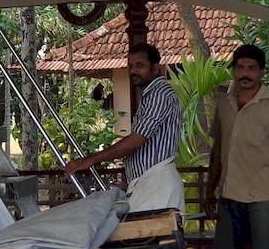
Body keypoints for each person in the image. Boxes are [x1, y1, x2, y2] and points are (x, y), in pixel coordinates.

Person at [63, 43, 185, 213]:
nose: (133, 71)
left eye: (140, 65)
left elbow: (136, 140)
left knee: (149, 237)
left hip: (157, 184)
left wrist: (91, 159)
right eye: (130, 66)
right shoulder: (151, 94)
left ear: (155, 68)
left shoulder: (159, 94)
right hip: (148, 183)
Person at [208, 43, 269, 249]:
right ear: (233, 70)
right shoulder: (224, 104)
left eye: (251, 68)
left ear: (261, 72)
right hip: (227, 197)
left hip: (262, 199)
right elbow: (217, 149)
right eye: (240, 67)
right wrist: (209, 189)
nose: (245, 73)